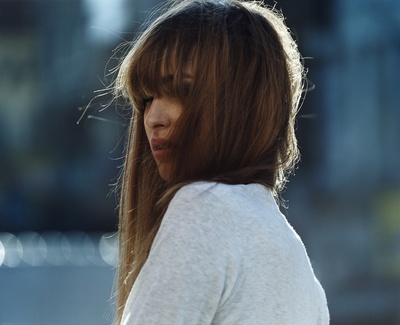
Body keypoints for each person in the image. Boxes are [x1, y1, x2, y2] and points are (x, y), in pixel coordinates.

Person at [113, 0, 329, 324]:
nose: (153, 118)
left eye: (183, 90)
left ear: (242, 102)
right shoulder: (296, 260)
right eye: (146, 98)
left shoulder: (203, 209)